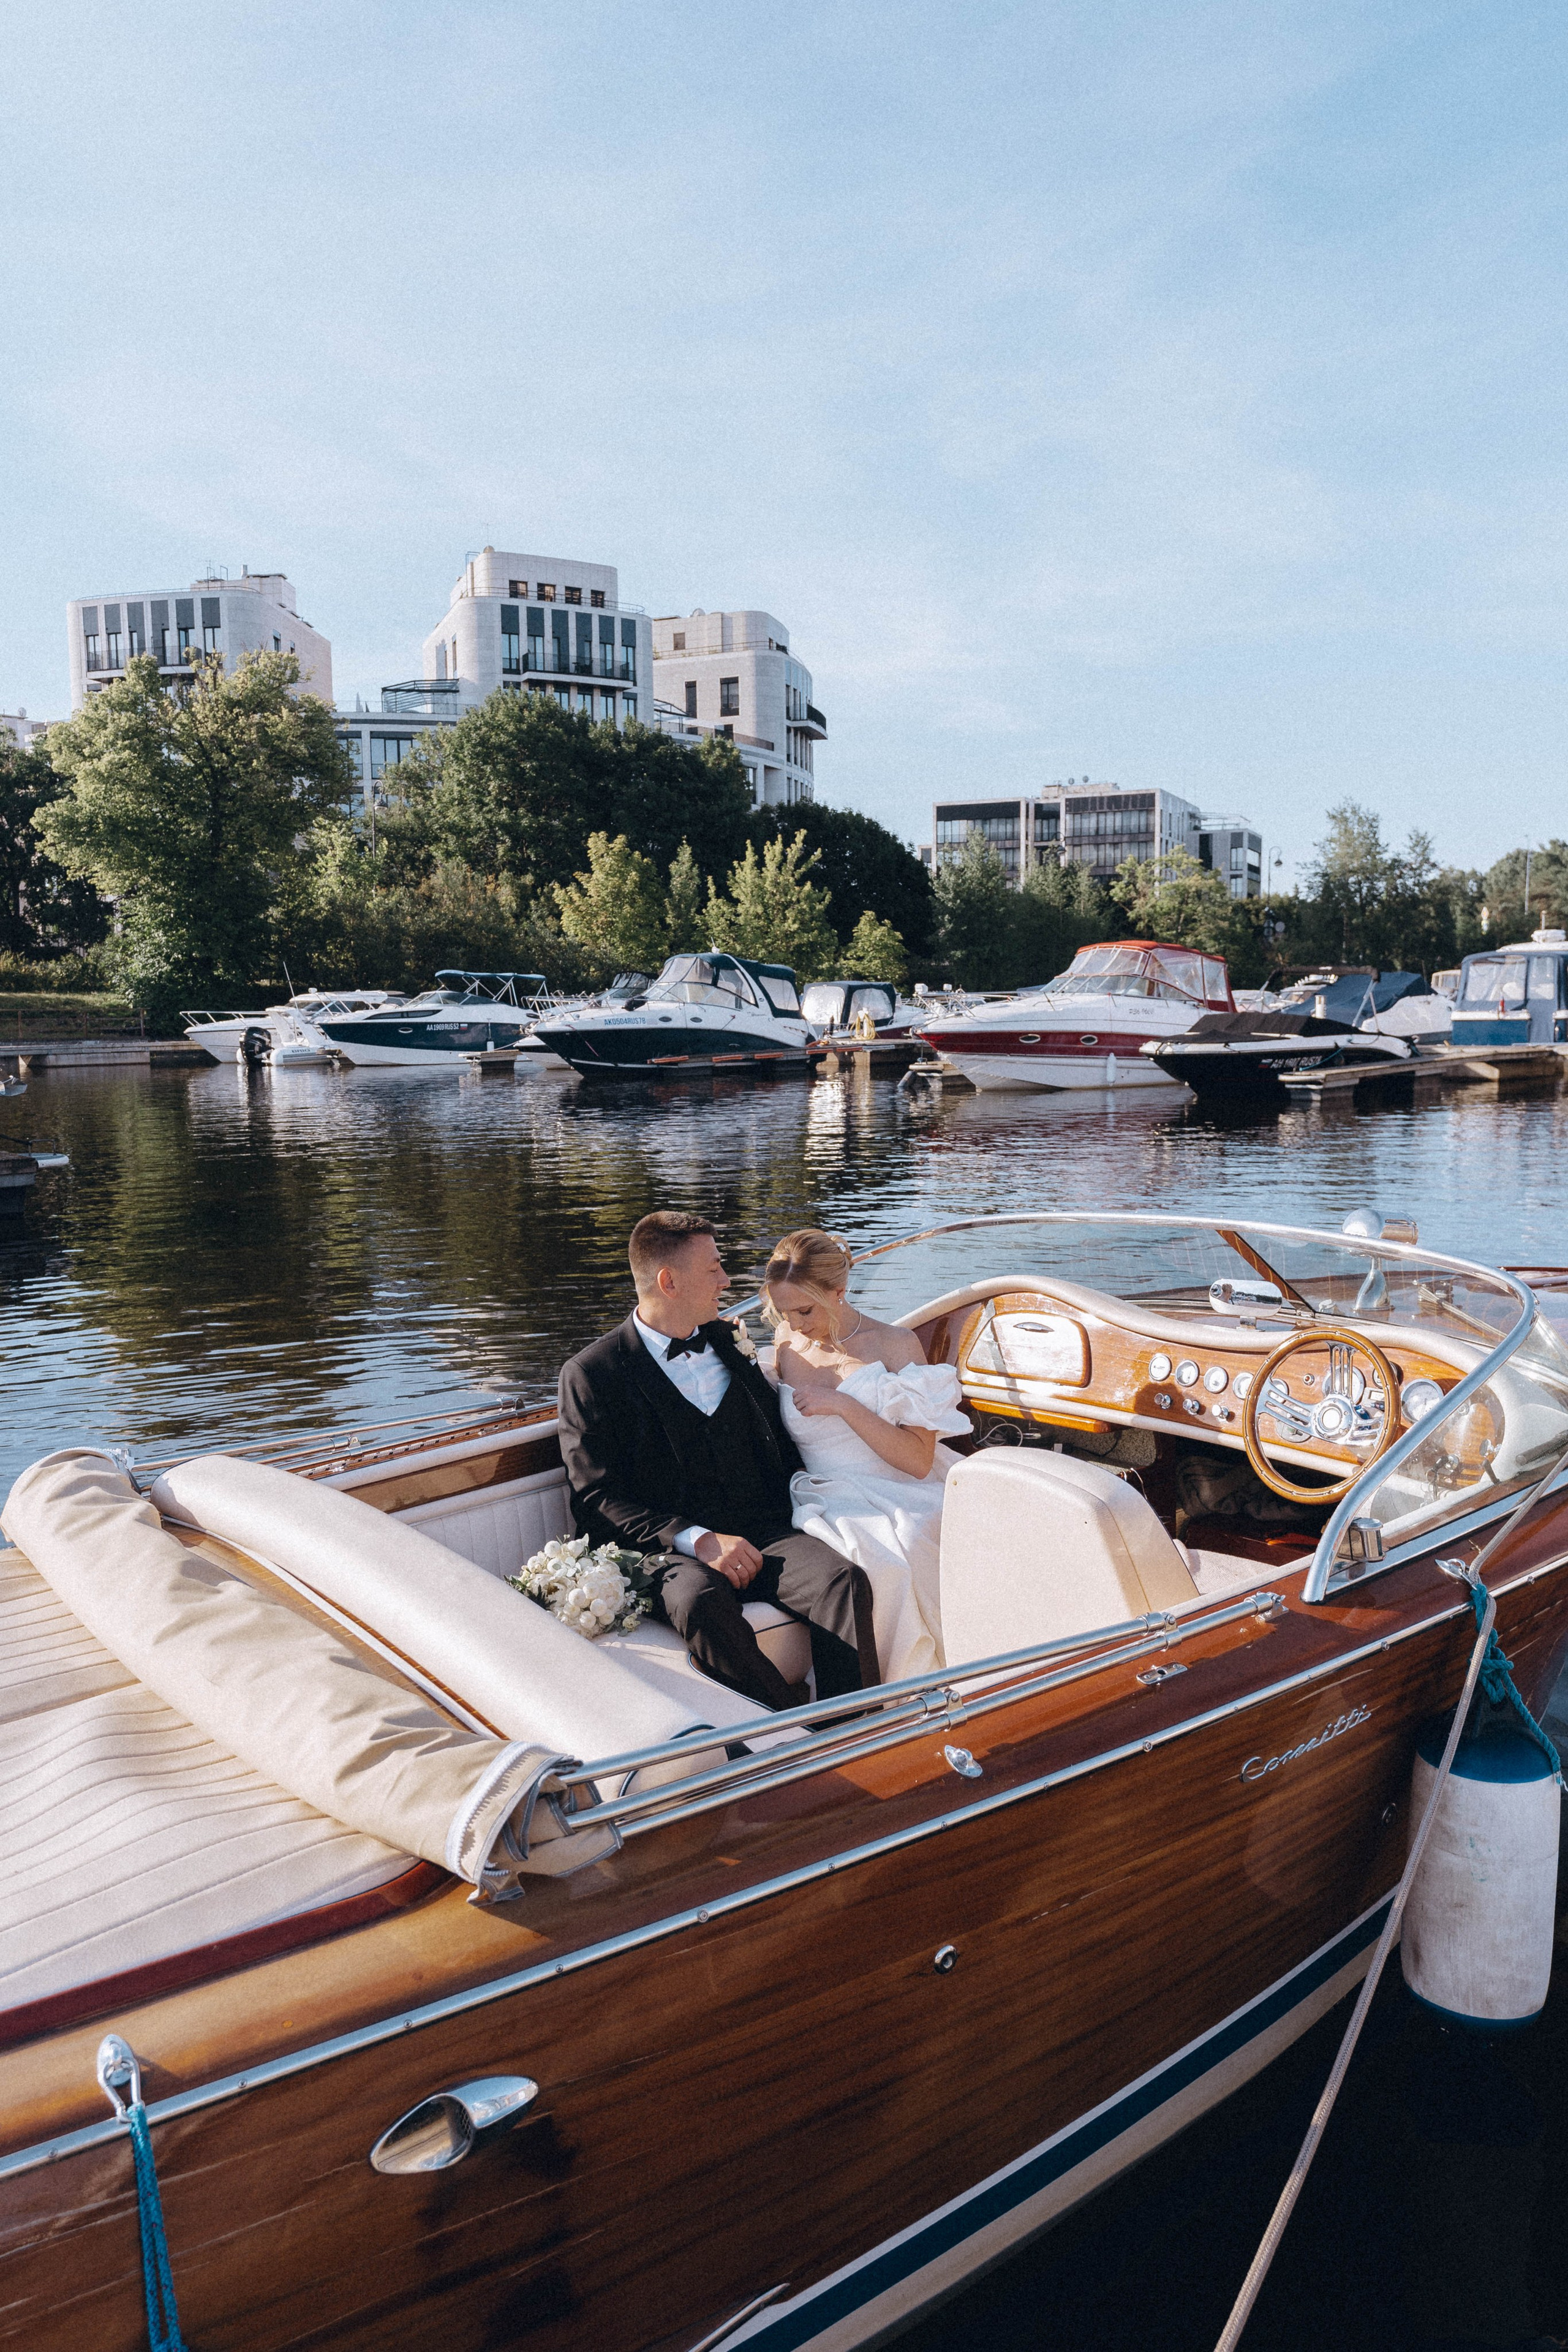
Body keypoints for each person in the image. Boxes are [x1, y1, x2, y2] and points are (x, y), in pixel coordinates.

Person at [557, 1212, 876, 1712]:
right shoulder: (592, 1373)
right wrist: (698, 1539)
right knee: (700, 1601)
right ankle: (788, 1736)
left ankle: (854, 1729)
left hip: (761, 1531)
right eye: (714, 1269)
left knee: (841, 1580)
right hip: (666, 1551)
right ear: (669, 1282)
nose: (727, 1280)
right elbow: (596, 1499)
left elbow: (777, 1432)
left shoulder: (730, 1341)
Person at [761, 1229, 970, 1683]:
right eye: (783, 1312)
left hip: (900, 1485)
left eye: (805, 1310)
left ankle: (920, 1686)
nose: (795, 1325)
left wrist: (845, 1405)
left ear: (839, 1291)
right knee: (857, 1559)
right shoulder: (785, 1342)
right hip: (822, 1493)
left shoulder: (895, 1344)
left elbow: (918, 1461)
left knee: (906, 1544)